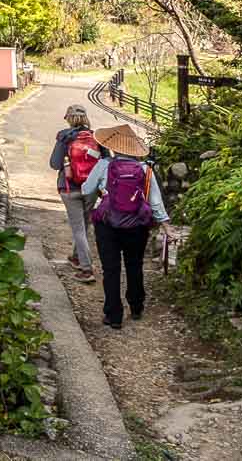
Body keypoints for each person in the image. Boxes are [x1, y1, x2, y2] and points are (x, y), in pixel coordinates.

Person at [81, 124, 169, 329]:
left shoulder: (104, 164)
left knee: (110, 268)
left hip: (108, 224)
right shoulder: (145, 170)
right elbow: (155, 201)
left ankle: (114, 315)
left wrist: (102, 193)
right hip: (137, 225)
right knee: (134, 264)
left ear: (113, 146)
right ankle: (136, 306)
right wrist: (165, 225)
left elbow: (86, 190)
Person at [49, 105, 106, 283]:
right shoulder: (96, 137)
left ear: (68, 118)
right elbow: (105, 163)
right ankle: (76, 257)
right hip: (90, 189)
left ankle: (87, 269)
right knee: (84, 223)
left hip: (69, 187)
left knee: (78, 228)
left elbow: (55, 164)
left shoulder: (64, 136)